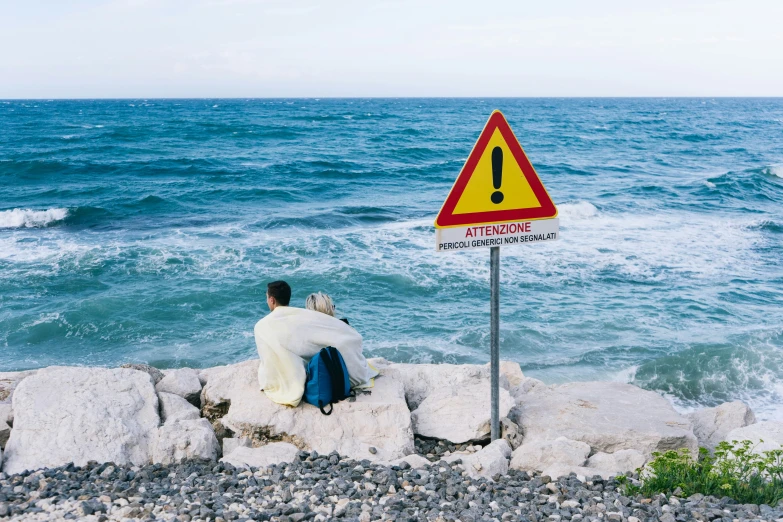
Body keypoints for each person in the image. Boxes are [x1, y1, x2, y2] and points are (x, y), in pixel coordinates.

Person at [254, 280, 377, 407]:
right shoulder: (305, 317)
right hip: (353, 373)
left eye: (267, 298)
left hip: (326, 378)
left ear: (272, 300)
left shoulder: (262, 326)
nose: (267, 301)